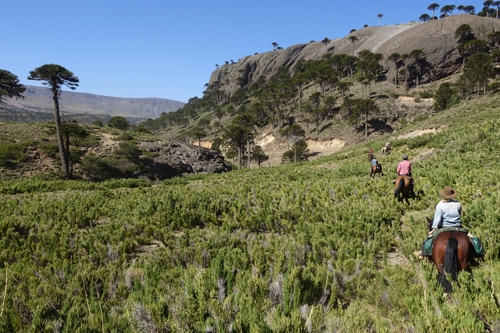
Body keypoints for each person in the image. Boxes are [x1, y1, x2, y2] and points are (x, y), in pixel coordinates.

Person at [414, 186, 462, 260]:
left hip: (444, 227)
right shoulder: (458, 204)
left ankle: (422, 253)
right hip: (457, 226)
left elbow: (437, 219)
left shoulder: (440, 205)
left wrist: (433, 229)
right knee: (471, 238)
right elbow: (459, 214)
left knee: (429, 239)